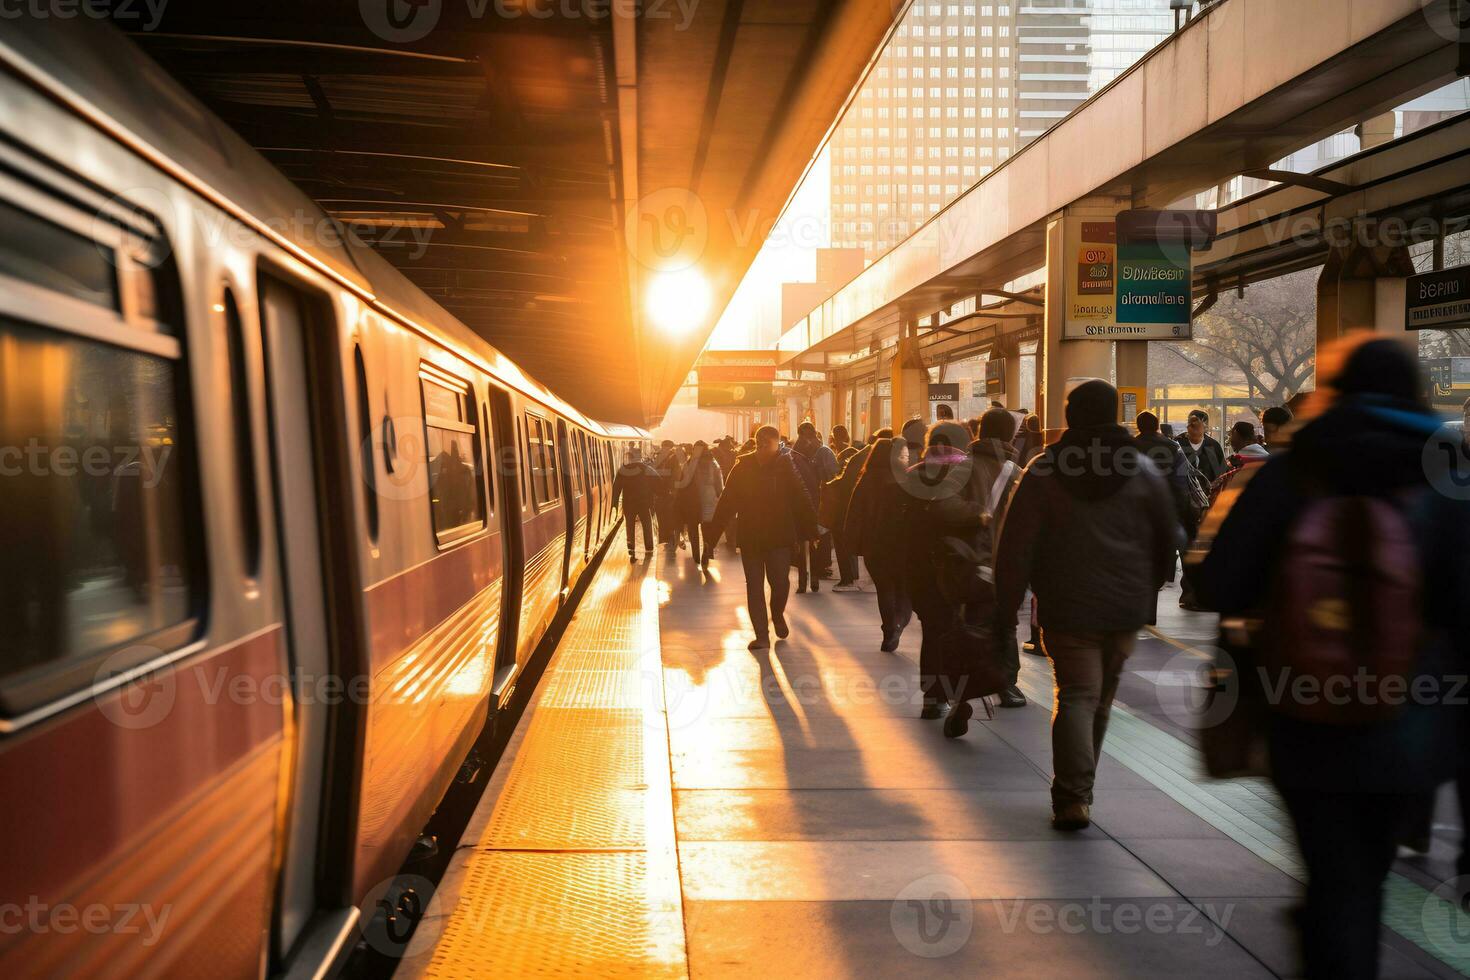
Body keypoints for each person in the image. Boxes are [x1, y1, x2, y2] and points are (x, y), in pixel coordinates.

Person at [1195, 337, 1470, 980]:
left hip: (1302, 710)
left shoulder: (1293, 467)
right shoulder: (1450, 473)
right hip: (1413, 716)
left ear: (1336, 390)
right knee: (1362, 878)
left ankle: (1328, 938)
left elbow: (1219, 585)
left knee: (1332, 873)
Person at [995, 381, 1181, 831]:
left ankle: (1073, 796)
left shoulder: (1044, 470)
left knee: (1077, 694)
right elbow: (1168, 537)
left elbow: (1016, 546)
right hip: (1124, 607)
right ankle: (1081, 789)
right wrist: (1148, 587)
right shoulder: (1140, 468)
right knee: (1101, 699)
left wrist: (1005, 607)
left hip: (1067, 603)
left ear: (1072, 415)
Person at [944, 407, 1029, 733]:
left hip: (970, 564)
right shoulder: (1018, 472)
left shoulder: (963, 467)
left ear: (979, 433)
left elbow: (943, 506)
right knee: (1005, 624)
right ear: (1010, 436)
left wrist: (975, 515)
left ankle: (960, 697)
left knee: (969, 626)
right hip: (1007, 566)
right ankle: (1007, 685)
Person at [711, 426, 819, 651]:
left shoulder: (786, 466)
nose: (760, 446)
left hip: (779, 536)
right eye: (758, 441)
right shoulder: (743, 467)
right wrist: (711, 538)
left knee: (780, 582)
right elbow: (726, 502)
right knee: (754, 586)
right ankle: (761, 635)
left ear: (776, 443)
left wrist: (811, 531)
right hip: (751, 536)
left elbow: (801, 499)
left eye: (766, 442)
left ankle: (777, 614)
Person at [902, 420, 977, 719]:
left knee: (933, 630)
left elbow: (898, 529)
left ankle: (933, 697)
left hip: (921, 568)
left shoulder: (910, 476)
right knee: (961, 630)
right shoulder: (969, 476)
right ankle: (962, 693)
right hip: (962, 566)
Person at [844, 429, 911, 651]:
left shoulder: (866, 479)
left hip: (874, 545)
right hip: (901, 544)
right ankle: (898, 624)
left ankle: (889, 629)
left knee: (884, 588)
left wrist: (851, 543)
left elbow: (854, 513)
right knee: (902, 588)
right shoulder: (904, 478)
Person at [1133, 411, 1195, 566]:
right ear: (1157, 425)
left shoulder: (1129, 447)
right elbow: (1181, 484)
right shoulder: (1173, 448)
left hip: (1138, 509)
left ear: (1138, 426)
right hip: (1168, 507)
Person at [674, 440, 723, 568]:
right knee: (707, 528)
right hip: (709, 497)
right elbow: (719, 482)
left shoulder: (690, 463)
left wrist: (679, 500)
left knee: (693, 528)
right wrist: (719, 496)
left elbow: (682, 484)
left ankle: (696, 556)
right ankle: (708, 551)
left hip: (693, 500)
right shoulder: (713, 463)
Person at [611, 449, 660, 559]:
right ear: (640, 457)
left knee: (630, 525)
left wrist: (614, 503)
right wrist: (659, 495)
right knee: (647, 526)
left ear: (629, 458)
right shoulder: (646, 469)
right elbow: (657, 481)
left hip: (629, 503)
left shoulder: (622, 470)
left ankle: (631, 548)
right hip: (644, 503)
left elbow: (616, 488)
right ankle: (649, 548)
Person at [1210, 420, 1269, 504]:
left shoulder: (1234, 462)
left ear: (1236, 434)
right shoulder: (1268, 457)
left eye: (1231, 435)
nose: (1229, 440)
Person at [1176, 410, 1227, 483]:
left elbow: (1221, 473)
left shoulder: (1213, 445)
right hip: (1182, 491)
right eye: (1190, 422)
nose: (1191, 425)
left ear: (1205, 425)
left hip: (1208, 491)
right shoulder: (1178, 443)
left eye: (1196, 423)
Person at [652, 440, 684, 551]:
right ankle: (668, 540)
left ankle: (665, 540)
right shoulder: (673, 459)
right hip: (667, 493)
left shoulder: (662, 458)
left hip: (663, 493)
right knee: (668, 517)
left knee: (664, 519)